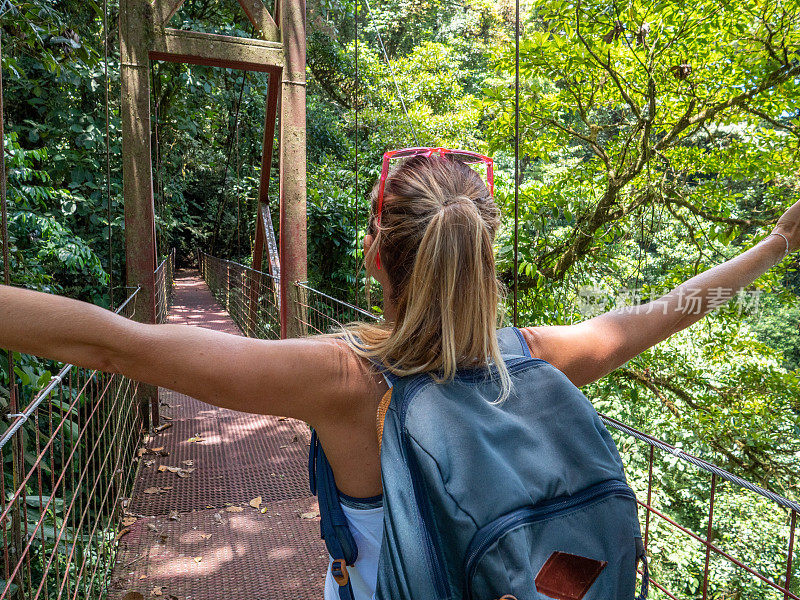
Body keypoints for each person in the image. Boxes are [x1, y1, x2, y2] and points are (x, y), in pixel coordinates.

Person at [0, 150, 798, 600]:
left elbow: (117, 345)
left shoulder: (344, 377)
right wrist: (775, 245)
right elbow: (672, 306)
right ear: (483, 258)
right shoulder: (537, 354)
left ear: (378, 252)